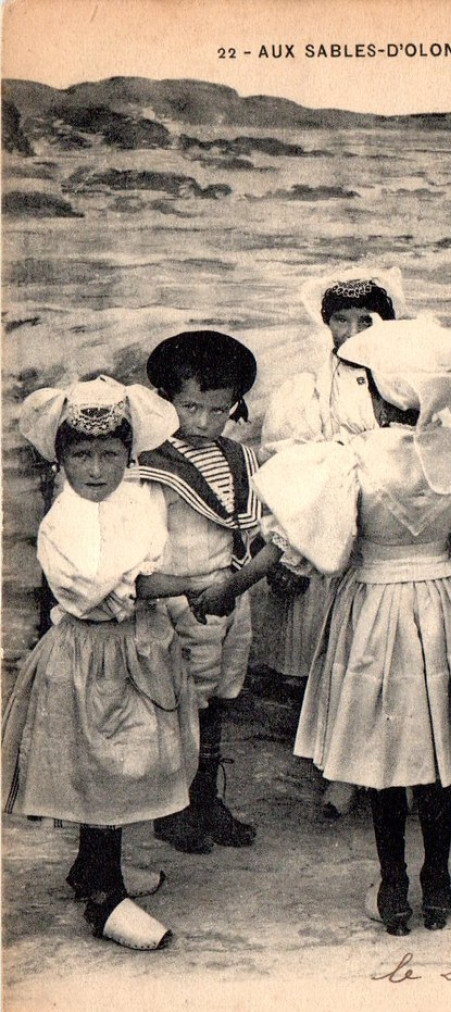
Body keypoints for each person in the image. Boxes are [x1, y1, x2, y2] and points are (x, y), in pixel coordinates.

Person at [253, 318, 451, 934]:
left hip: (376, 604)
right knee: (436, 754)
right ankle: (436, 880)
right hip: (443, 605)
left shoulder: (350, 461)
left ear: (382, 396)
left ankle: (393, 885)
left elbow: (321, 544)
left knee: (386, 756)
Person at [3, 377, 199, 951]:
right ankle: (103, 898)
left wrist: (180, 597)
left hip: (137, 646)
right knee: (105, 765)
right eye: (80, 456)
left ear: (129, 455)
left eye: (109, 455)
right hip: (91, 653)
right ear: (60, 458)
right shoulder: (64, 520)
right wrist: (190, 585)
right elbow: (102, 587)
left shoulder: (137, 500)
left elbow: (149, 559)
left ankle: (93, 866)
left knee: (126, 761)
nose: (95, 470)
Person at [258, 267, 405, 818]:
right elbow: (289, 468)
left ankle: (394, 769)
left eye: (365, 320)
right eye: (340, 321)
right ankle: (344, 770)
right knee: (342, 661)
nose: (352, 331)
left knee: (391, 658)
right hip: (327, 529)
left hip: (388, 528)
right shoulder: (310, 390)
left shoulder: (405, 382)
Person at [138, 331, 279, 854]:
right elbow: (147, 540)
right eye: (189, 406)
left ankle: (206, 799)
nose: (201, 420)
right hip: (179, 598)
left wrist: (238, 581)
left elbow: (252, 524)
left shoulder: (240, 457)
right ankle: (173, 809)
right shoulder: (152, 462)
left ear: (234, 407)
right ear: (166, 401)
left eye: (217, 410)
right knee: (180, 702)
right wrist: (178, 596)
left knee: (219, 696)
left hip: (230, 592)